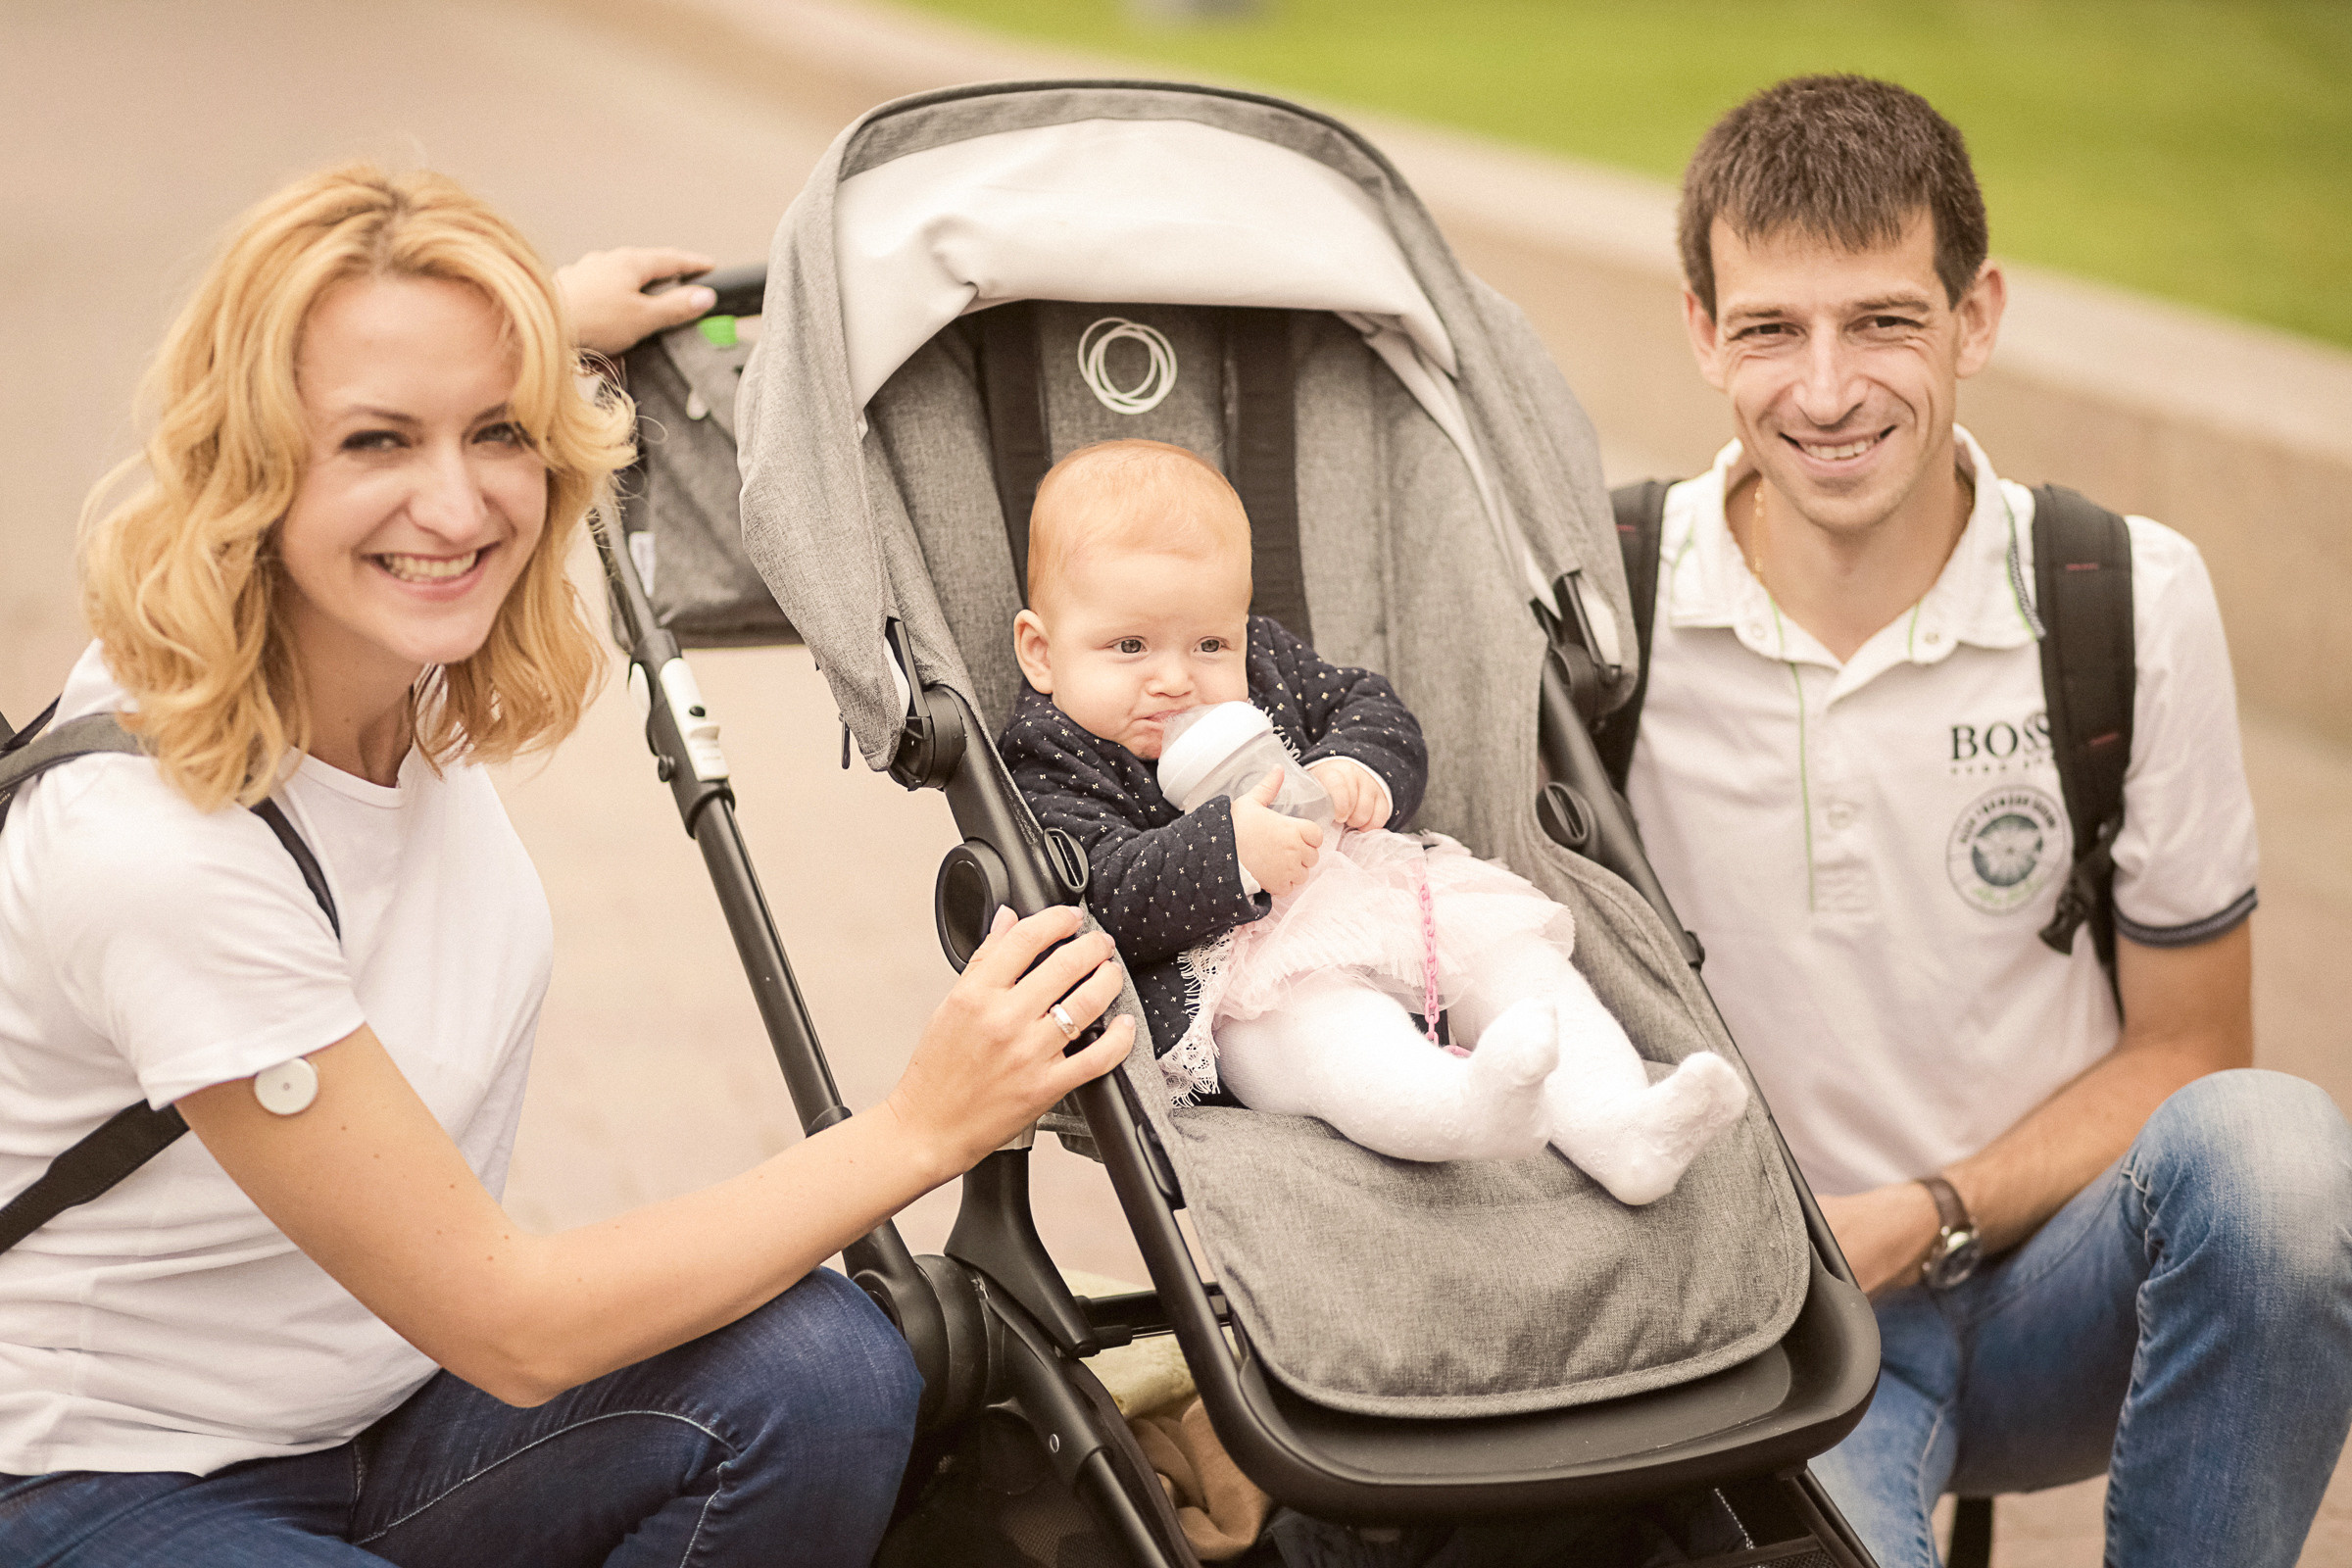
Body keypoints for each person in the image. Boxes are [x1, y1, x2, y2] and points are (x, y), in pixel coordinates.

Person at [0, 164, 1134, 1567]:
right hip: (98, 1480)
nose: (456, 506)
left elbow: (422, 400)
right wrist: (920, 1127)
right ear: (251, 470)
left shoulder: (381, 666)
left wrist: (547, 323)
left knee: (826, 1373)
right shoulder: (158, 847)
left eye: (498, 430)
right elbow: (516, 1324)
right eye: (376, 442)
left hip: (384, 1420)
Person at [1621, 74, 2352, 1566]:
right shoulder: (1603, 597)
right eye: (1771, 330)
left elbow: (2195, 1049)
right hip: (1779, 1333)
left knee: (2278, 1156)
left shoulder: (2127, 593)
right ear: (1701, 331)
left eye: (1884, 320)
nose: (1828, 391)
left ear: (1978, 315)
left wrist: (1931, 1211)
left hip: (2053, 1297)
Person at [995, 439, 1745, 1202]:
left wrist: (1355, 768)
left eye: (1210, 643)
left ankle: (1619, 1125)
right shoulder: (1052, 755)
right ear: (1041, 653)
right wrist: (1229, 852)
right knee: (1322, 1029)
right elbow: (1095, 894)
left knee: (1513, 959)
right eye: (1129, 646)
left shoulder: (1266, 664)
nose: (1176, 678)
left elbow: (1374, 709)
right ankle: (1457, 1109)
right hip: (1235, 980)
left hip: (1372, 902)